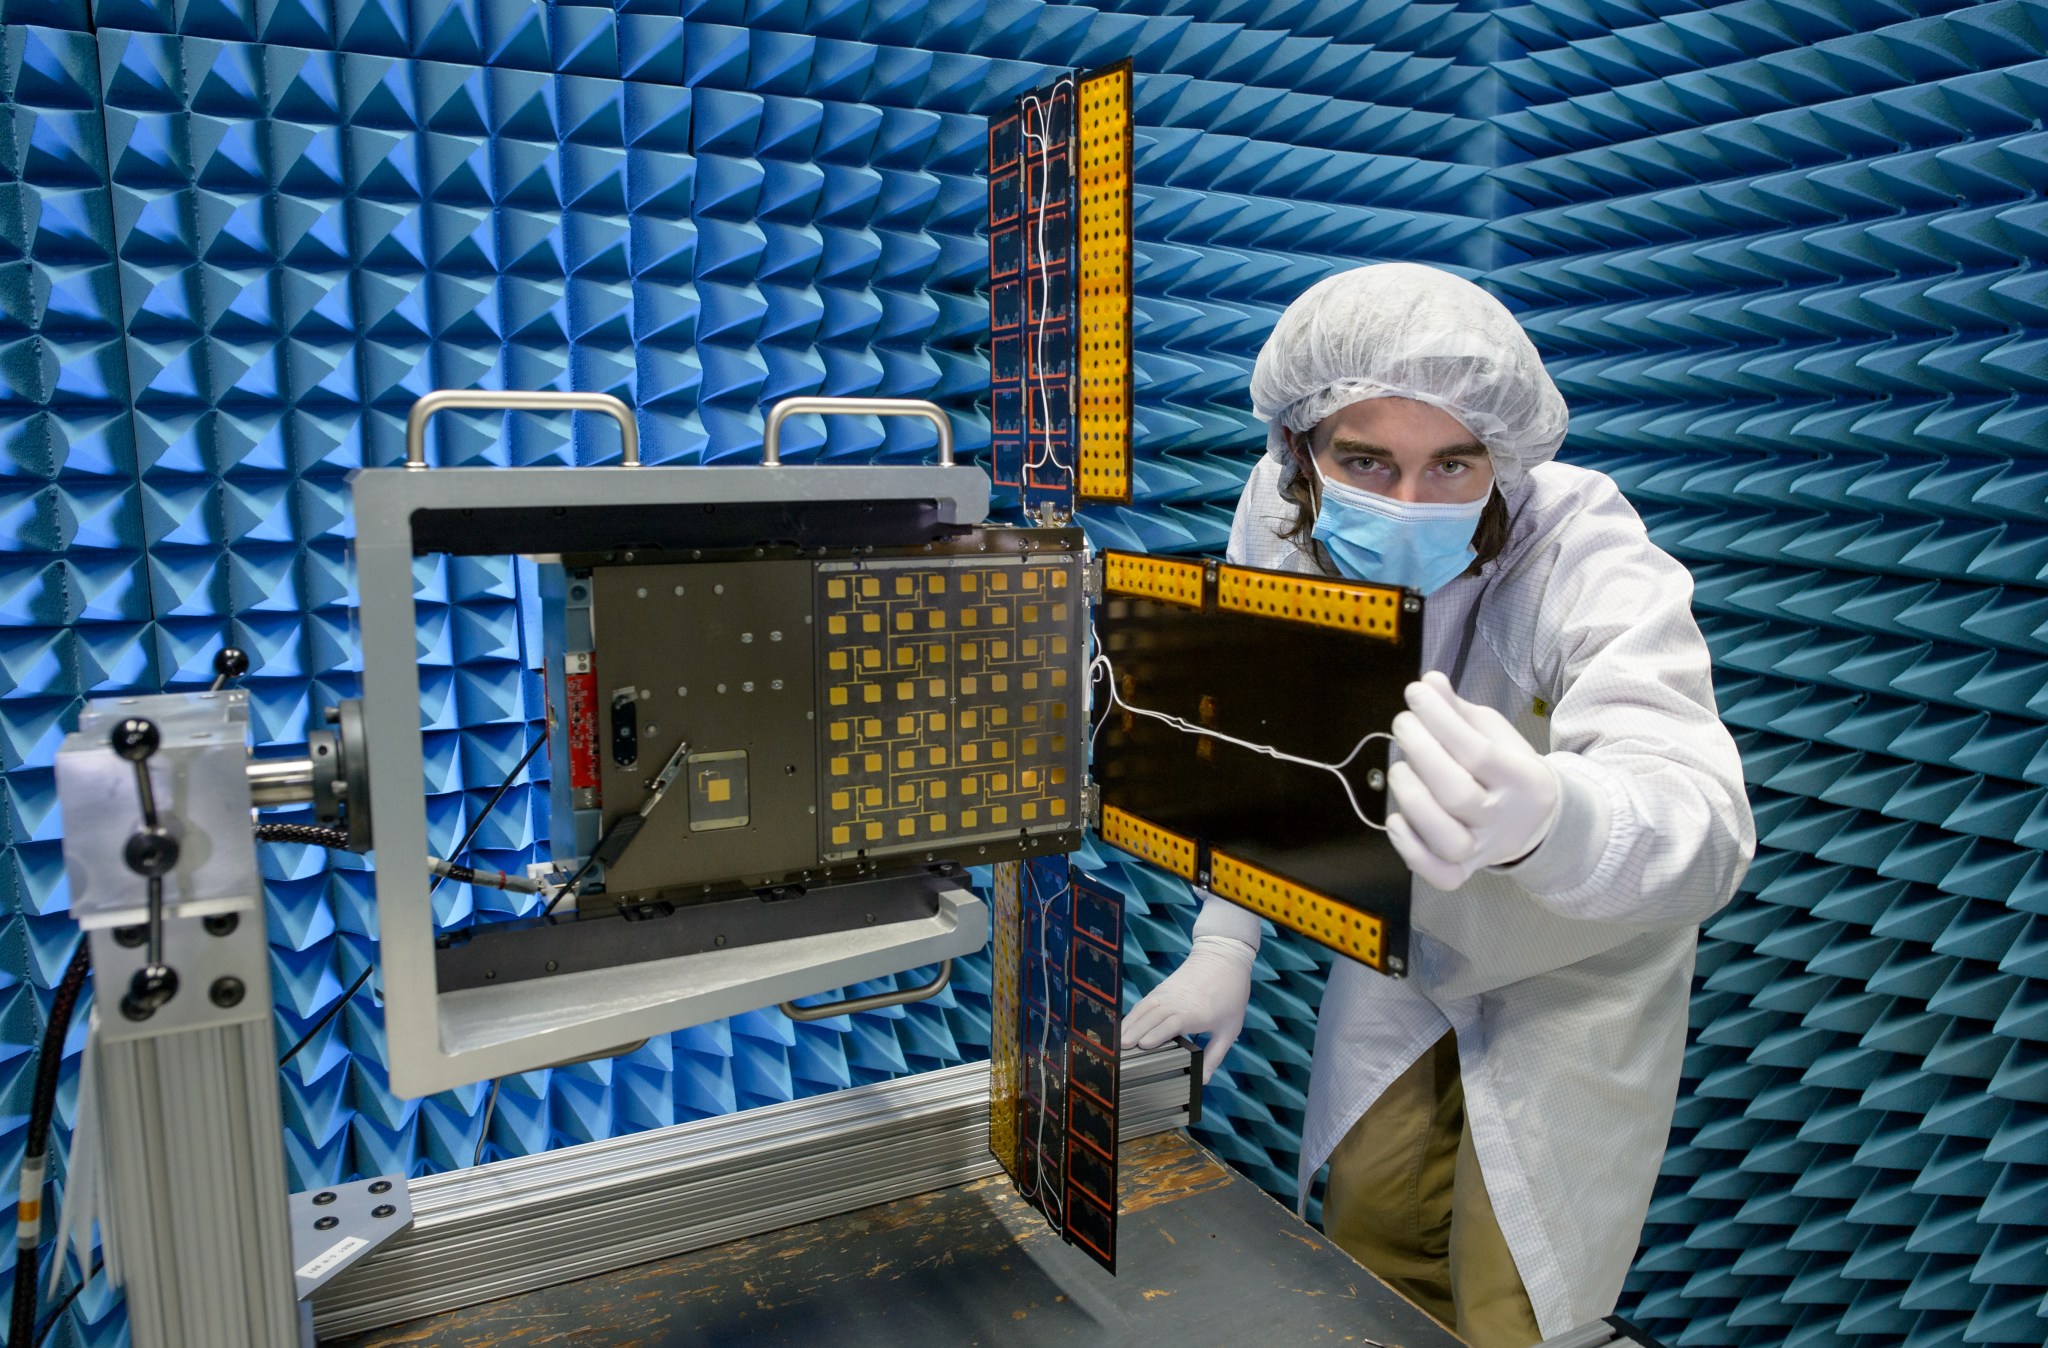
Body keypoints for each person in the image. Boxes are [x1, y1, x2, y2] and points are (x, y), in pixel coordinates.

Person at [1119, 263, 1755, 1347]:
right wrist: (1223, 938)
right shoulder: (1277, 518)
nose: (1407, 504)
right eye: (1366, 460)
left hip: (1577, 958)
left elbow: (1704, 828)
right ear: (1298, 453)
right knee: (1371, 1238)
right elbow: (1261, 745)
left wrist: (1556, 819)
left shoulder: (1580, 549)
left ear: (1500, 461)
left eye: (1451, 464)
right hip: (1407, 934)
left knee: (1515, 1300)